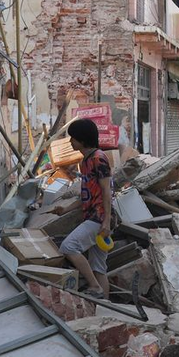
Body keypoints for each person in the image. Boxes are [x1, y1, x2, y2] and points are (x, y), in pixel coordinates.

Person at [59, 118, 114, 298]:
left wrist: (106, 221)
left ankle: (95, 287)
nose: (70, 142)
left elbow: (107, 191)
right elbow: (87, 195)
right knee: (99, 268)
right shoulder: (85, 162)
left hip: (98, 219)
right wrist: (64, 210)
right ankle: (106, 310)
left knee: (68, 247)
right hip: (94, 217)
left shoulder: (99, 158)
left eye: (73, 138)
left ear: (82, 140)